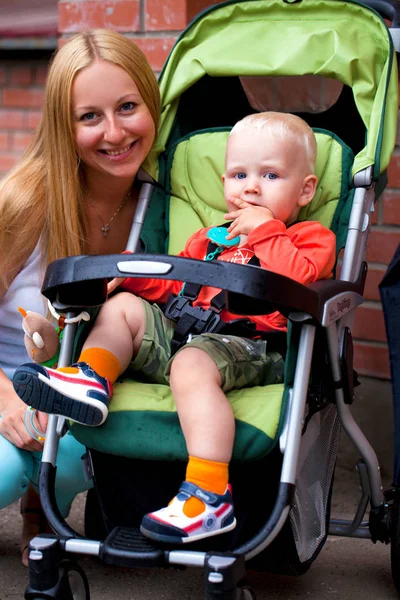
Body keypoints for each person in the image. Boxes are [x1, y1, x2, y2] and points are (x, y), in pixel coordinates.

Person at [13, 112, 336, 545]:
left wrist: (266, 233)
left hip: (253, 345)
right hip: (184, 333)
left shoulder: (308, 236)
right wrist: (128, 275)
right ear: (224, 181)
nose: (251, 187)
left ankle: (209, 495)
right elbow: (171, 284)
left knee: (190, 364)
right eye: (239, 175)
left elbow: (298, 281)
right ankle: (89, 378)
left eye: (271, 175)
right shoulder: (210, 238)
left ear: (306, 189)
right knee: (125, 307)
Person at [0, 28, 160, 563]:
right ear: (63, 126)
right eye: (89, 116)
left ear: (151, 103)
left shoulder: (162, 208)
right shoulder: (26, 201)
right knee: (5, 470)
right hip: (5, 385)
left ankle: (40, 510)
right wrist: (3, 398)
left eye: (127, 106)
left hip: (78, 397)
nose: (114, 132)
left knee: (73, 459)